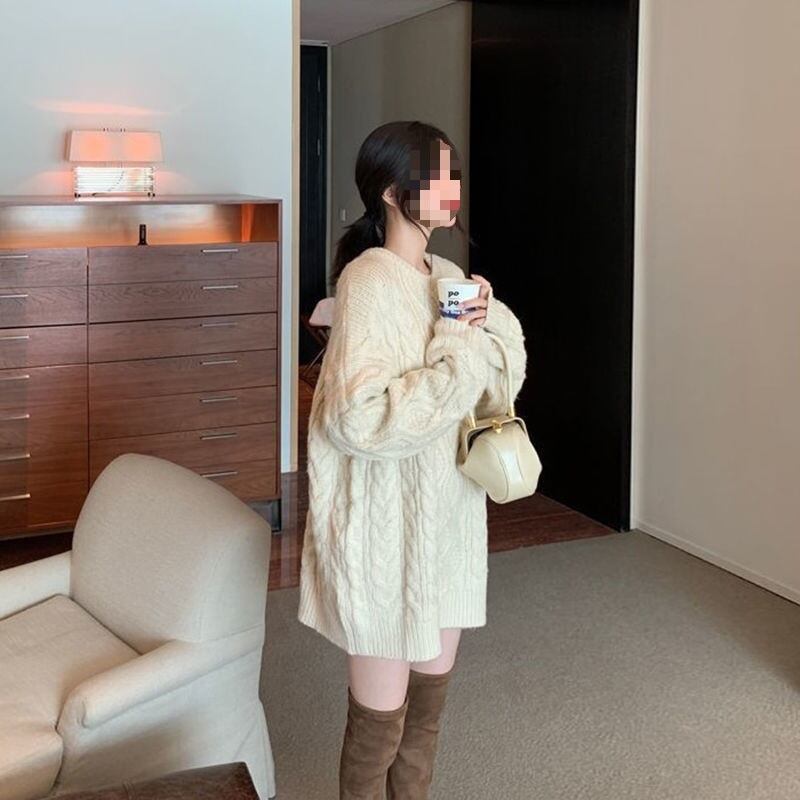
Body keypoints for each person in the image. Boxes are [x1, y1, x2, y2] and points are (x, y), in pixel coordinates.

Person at [297, 120, 527, 799]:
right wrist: (455, 343)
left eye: (453, 173)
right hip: (385, 538)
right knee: (379, 733)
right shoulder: (368, 280)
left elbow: (497, 389)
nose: (454, 187)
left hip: (449, 528)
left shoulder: (449, 277)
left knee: (424, 725)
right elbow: (358, 419)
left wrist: (490, 321)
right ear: (395, 194)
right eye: (439, 176)